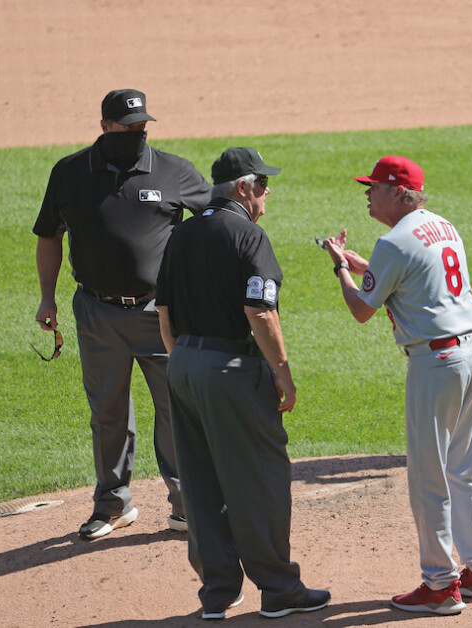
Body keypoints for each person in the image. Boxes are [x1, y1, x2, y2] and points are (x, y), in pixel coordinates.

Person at [321, 156, 472, 616]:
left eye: (374, 187)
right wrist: (358, 262)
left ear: (400, 193)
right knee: (462, 469)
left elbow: (363, 307)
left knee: (428, 478)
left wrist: (339, 269)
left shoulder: (394, 241)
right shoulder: (442, 226)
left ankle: (441, 585)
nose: (367, 193)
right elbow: (405, 278)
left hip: (436, 364)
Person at [156, 147, 331, 620]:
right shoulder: (248, 235)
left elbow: (165, 313)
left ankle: (217, 594)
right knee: (261, 480)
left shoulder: (181, 234)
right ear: (243, 187)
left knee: (200, 481)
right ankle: (278, 589)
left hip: (183, 366)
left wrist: (187, 365)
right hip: (231, 370)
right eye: (262, 184)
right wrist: (283, 371)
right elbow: (260, 311)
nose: (267, 192)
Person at [33, 89, 212, 539]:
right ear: (105, 126)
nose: (136, 134)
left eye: (141, 127)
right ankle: (112, 505)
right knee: (108, 413)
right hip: (96, 312)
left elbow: (217, 221)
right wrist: (47, 297)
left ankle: (187, 505)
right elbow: (49, 235)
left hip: (162, 314)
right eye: (127, 127)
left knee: (177, 410)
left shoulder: (174, 171)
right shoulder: (70, 173)